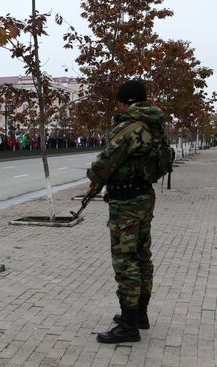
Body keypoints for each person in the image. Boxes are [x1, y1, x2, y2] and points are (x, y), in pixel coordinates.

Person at [87, 80, 164, 344]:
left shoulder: (128, 127)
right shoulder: (153, 124)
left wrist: (93, 177)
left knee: (125, 260)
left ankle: (129, 324)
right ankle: (140, 314)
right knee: (143, 255)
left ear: (124, 102)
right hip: (144, 196)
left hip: (126, 202)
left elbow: (106, 161)